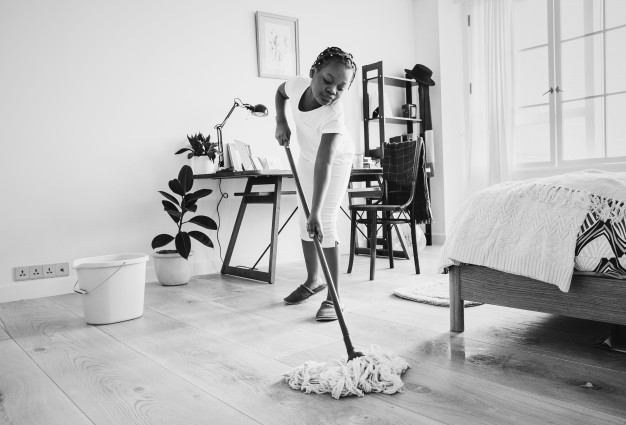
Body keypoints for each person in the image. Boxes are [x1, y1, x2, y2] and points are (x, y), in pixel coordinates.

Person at [274, 46, 357, 321]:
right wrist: (281, 121)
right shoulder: (297, 85)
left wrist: (316, 211)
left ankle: (334, 297)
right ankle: (314, 280)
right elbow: (280, 92)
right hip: (308, 158)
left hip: (335, 162)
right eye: (327, 80)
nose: (332, 90)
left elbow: (326, 163)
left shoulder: (333, 114)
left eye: (341, 87)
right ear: (313, 73)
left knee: (325, 222)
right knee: (303, 221)